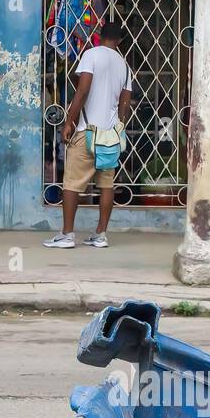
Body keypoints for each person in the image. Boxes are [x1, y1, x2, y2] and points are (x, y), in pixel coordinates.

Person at [44, 22, 132, 249]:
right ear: (120, 41)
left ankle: (66, 235)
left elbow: (82, 91)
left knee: (72, 183)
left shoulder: (91, 55)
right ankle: (101, 234)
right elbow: (125, 102)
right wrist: (118, 125)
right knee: (106, 185)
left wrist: (69, 122)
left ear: (100, 36)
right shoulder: (124, 65)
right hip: (109, 136)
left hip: (87, 132)